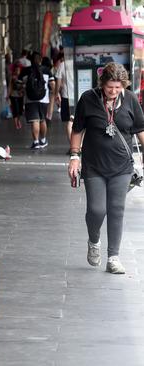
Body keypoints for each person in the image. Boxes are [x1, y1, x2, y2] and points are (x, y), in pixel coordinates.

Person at [68, 62, 144, 274]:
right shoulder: (88, 99)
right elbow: (77, 130)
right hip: (94, 165)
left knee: (116, 209)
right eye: (110, 87)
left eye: (118, 87)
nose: (113, 91)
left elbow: (140, 130)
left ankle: (113, 257)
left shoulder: (129, 100)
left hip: (122, 166)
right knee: (96, 209)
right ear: (102, 84)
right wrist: (75, 157)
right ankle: (94, 241)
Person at [19, 52, 55, 149]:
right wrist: (55, 94)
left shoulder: (25, 71)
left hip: (30, 99)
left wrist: (22, 90)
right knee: (42, 120)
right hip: (44, 99)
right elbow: (52, 84)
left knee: (35, 120)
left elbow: (19, 84)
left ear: (30, 60)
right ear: (40, 60)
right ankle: (43, 140)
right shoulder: (47, 70)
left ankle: (36, 142)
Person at [53, 52, 72, 150]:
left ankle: (73, 147)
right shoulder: (80, 61)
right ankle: (80, 145)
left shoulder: (63, 64)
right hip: (81, 96)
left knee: (69, 121)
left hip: (66, 96)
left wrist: (56, 94)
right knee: (81, 122)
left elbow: (58, 81)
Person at [7, 63, 24, 130]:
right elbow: (10, 86)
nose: (17, 71)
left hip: (20, 95)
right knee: (15, 110)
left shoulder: (22, 77)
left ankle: (18, 120)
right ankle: (16, 123)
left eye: (18, 70)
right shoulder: (12, 77)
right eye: (16, 70)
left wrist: (22, 91)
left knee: (20, 110)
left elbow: (24, 85)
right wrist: (8, 94)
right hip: (13, 95)